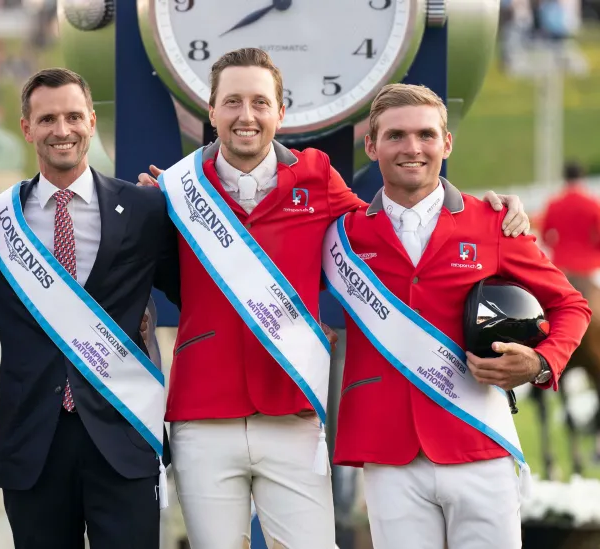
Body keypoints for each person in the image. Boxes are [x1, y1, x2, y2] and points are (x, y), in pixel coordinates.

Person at [141, 48, 530, 549]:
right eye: (232, 101)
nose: (246, 115)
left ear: (281, 113)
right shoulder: (174, 191)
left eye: (260, 102)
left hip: (293, 413)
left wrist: (484, 209)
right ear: (210, 111)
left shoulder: (316, 177)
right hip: (202, 413)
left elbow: (392, 222)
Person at [325, 83, 591, 549]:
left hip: (478, 443)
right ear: (371, 145)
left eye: (427, 135)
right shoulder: (342, 234)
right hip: (390, 454)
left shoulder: (493, 223)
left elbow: (571, 304)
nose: (413, 148)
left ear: (447, 143)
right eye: (396, 136)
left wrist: (540, 363)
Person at [0, 67, 179, 549]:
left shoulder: (145, 211)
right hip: (33, 444)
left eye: (73, 117)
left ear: (91, 122)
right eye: (47, 120)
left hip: (123, 438)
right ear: (26, 128)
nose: (61, 130)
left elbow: (197, 292)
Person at [540, 161, 600, 277]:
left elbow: (544, 236)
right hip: (589, 265)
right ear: (582, 177)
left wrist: (558, 247)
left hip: (562, 265)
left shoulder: (554, 205)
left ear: (565, 177)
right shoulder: (593, 204)